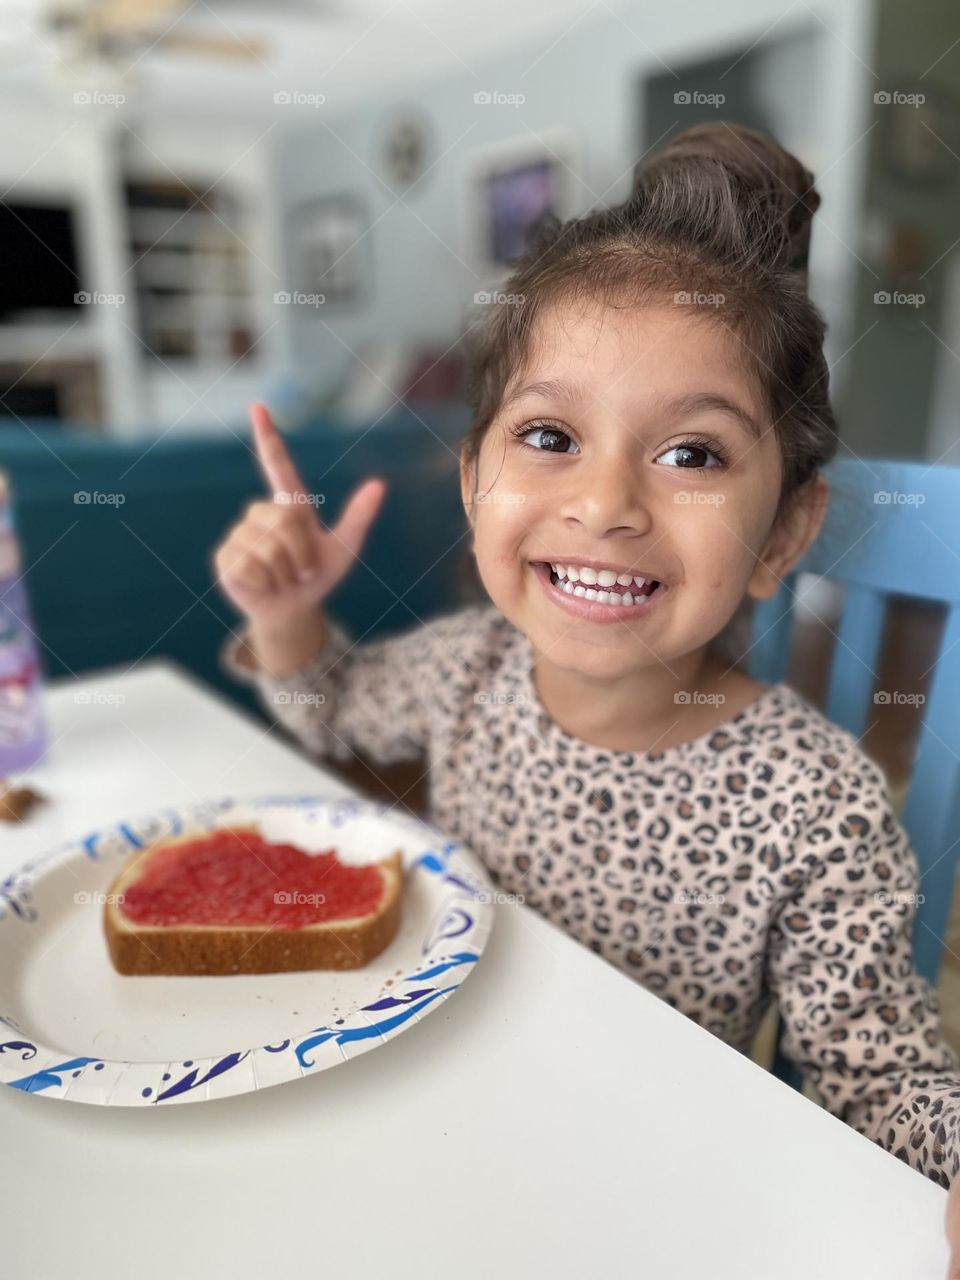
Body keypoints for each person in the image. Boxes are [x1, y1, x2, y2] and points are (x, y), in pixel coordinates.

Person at [212, 121, 960, 1269]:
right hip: (424, 1136)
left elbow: (885, 1077)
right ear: (476, 483)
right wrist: (287, 616)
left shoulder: (818, 803)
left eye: (694, 454)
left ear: (786, 532)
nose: (606, 501)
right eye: (550, 434)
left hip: (643, 1206)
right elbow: (332, 704)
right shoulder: (463, 668)